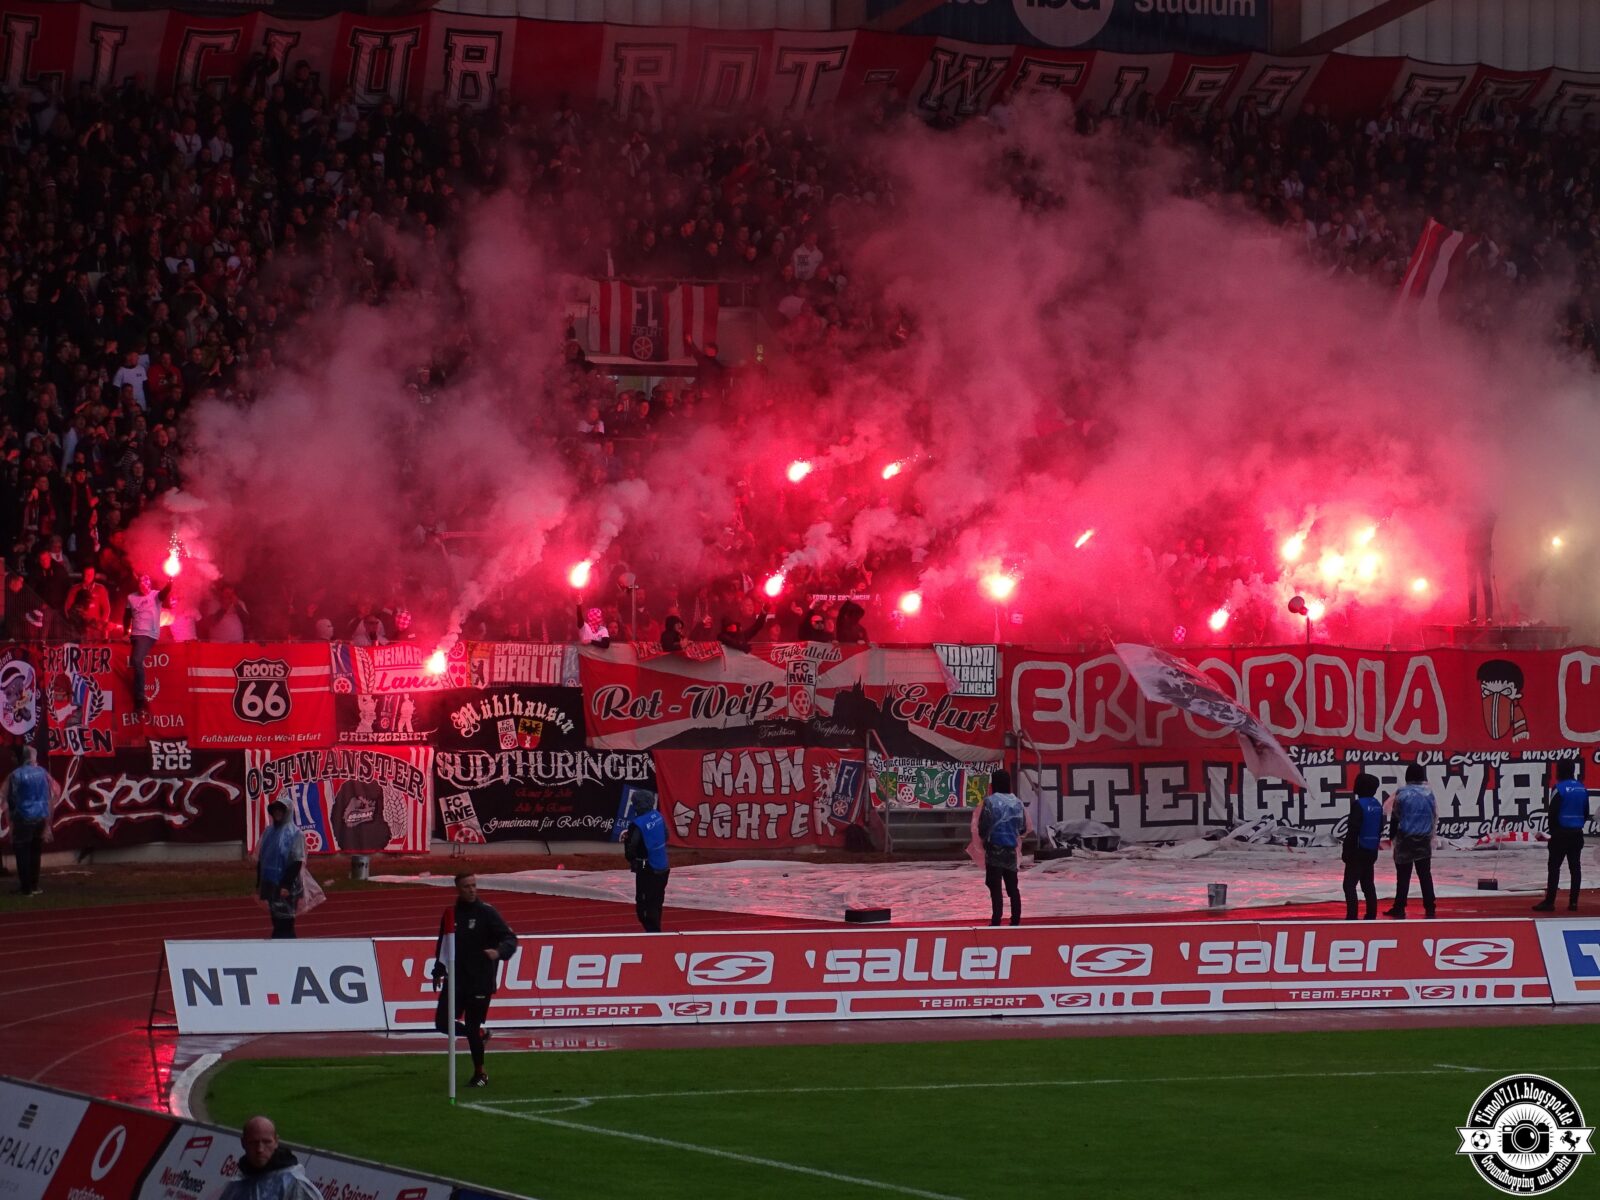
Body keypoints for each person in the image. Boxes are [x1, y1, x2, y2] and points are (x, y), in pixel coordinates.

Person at [431, 872, 518, 1089]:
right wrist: (438, 970)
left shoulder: (486, 913)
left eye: (474, 885)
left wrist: (498, 952)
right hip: (457, 980)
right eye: (467, 886)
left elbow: (510, 938)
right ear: (458, 889)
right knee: (442, 1023)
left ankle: (480, 1073)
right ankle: (481, 1034)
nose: (472, 889)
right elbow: (444, 945)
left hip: (480, 981)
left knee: (471, 1025)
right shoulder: (450, 914)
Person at [219, 1117, 320, 1200]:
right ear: (243, 1143)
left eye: (267, 1142)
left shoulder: (294, 1184)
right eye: (253, 1143)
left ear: (276, 1141)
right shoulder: (234, 1187)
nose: (260, 1149)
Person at [1534, 760, 1589, 912]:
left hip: (1560, 833)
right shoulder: (1582, 789)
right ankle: (1573, 903)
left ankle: (1550, 902)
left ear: (1560, 771)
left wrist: (1553, 832)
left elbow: (1553, 812)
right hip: (1577, 834)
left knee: (1554, 868)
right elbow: (1586, 813)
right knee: (1575, 868)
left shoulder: (1559, 788)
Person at [2, 747, 58, 897]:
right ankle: (34, 885)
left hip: (23, 817)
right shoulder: (42, 772)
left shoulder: (16, 775)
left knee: (22, 852)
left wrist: (12, 819)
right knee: (35, 852)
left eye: (14, 756)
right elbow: (54, 792)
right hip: (41, 817)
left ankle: (25, 888)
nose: (12, 759)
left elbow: (11, 799)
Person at [1385, 764, 1437, 919]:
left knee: (1403, 875)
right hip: (1424, 838)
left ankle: (1399, 906)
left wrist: (1391, 835)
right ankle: (1430, 905)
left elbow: (1395, 816)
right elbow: (1433, 816)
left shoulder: (1402, 793)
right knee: (1425, 874)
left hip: (1405, 838)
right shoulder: (1429, 793)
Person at [978, 768, 1026, 926]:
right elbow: (1022, 827)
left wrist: (984, 838)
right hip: (1011, 850)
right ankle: (1015, 920)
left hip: (994, 850)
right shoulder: (1017, 803)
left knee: (995, 887)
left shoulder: (990, 802)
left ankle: (996, 920)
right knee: (1013, 888)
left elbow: (983, 827)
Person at [256, 800, 307, 938]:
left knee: (285, 921)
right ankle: (278, 945)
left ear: (287, 812)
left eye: (281, 809)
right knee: (276, 920)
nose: (277, 812)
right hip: (270, 883)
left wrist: (286, 884)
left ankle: (287, 948)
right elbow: (263, 857)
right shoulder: (269, 831)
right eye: (275, 809)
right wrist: (259, 883)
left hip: (286, 885)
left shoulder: (295, 833)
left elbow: (297, 861)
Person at [123, 574, 172, 714]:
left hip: (148, 634)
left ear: (150, 584)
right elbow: (126, 616)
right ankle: (131, 697)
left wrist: (170, 582)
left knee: (137, 660)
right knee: (130, 661)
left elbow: (165, 592)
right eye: (141, 582)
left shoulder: (155, 595)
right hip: (135, 634)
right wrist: (125, 633)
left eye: (146, 581)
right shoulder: (131, 598)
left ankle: (139, 702)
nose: (144, 584)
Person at [624, 790, 670, 932]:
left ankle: (653, 934)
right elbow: (666, 836)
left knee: (644, 906)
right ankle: (655, 930)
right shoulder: (658, 816)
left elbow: (631, 850)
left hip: (648, 870)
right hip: (663, 866)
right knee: (656, 902)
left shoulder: (637, 825)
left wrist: (627, 843)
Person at [1342, 773, 1384, 920]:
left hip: (1357, 851)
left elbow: (1353, 830)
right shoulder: (1377, 805)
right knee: (1368, 885)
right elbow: (1380, 827)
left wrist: (1346, 850)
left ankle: (1352, 916)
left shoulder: (1359, 805)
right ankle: (1371, 914)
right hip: (1371, 850)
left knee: (1349, 885)